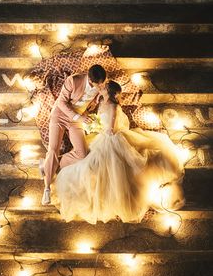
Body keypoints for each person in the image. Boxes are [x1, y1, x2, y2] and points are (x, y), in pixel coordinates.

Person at [55, 80, 185, 224]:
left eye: (103, 89)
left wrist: (97, 127)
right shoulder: (107, 104)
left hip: (109, 137)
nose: (100, 90)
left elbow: (109, 129)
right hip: (107, 136)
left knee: (111, 166)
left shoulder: (109, 105)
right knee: (98, 161)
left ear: (107, 92)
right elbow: (106, 126)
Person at [40, 64, 107, 205]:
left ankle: (50, 163)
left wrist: (88, 114)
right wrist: (78, 117)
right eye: (98, 84)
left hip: (78, 119)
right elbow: (62, 103)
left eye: (102, 83)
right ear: (90, 79)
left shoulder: (101, 84)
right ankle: (46, 188)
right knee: (53, 149)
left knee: (83, 154)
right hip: (60, 115)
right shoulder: (73, 80)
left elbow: (90, 104)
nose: (100, 86)